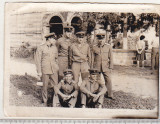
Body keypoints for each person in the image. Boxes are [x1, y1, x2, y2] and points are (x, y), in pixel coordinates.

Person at [36, 32, 59, 106]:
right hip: (45, 69)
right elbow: (38, 60)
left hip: (54, 70)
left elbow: (56, 58)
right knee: (45, 86)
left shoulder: (54, 47)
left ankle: (54, 102)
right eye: (53, 39)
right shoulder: (41, 47)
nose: (54, 40)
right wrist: (39, 71)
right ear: (49, 39)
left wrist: (56, 67)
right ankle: (45, 101)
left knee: (56, 86)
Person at [91, 29, 114, 99]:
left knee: (108, 80)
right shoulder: (94, 47)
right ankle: (98, 93)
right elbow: (92, 58)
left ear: (104, 39)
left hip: (106, 67)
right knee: (97, 80)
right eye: (99, 39)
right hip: (97, 67)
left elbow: (111, 58)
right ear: (97, 39)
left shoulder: (108, 46)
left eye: (102, 39)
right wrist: (92, 67)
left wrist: (110, 67)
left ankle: (110, 94)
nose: (100, 41)